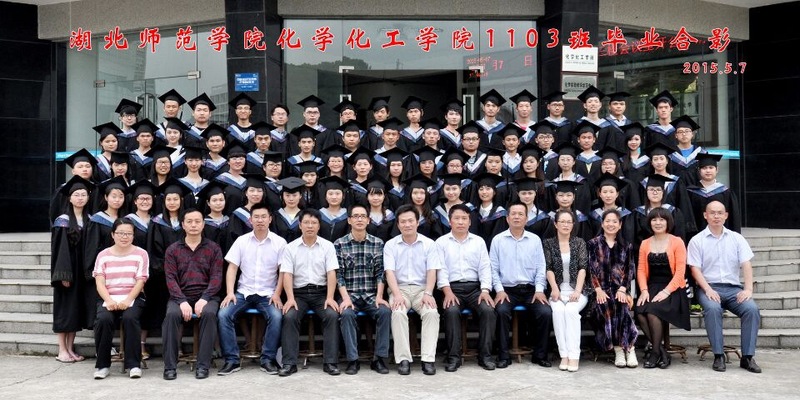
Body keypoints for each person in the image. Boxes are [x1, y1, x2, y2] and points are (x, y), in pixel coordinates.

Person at [688, 201, 761, 373]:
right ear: (705, 215)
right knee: (713, 309)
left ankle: (747, 357)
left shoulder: (737, 238)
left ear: (726, 215)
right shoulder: (697, 240)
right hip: (708, 288)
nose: (716, 216)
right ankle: (718, 355)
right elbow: (694, 269)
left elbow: (746, 264)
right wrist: (708, 289)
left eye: (720, 213)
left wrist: (748, 289)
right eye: (712, 213)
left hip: (734, 289)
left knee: (751, 309)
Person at [217, 204, 286, 375]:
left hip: (268, 294)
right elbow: (232, 268)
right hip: (244, 292)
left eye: (264, 217)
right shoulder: (242, 241)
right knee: (224, 315)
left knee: (277, 317)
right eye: (256, 217)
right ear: (250, 220)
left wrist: (277, 294)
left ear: (270, 219)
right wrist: (230, 292)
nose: (260, 220)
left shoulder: (279, 242)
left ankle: (268, 359)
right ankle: (232, 360)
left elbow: (283, 272)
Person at [162, 208, 223, 380]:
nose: (193, 225)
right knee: (171, 315)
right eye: (189, 221)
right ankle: (169, 366)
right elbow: (170, 279)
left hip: (207, 296)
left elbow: (217, 277)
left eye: (197, 221)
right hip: (180, 296)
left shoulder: (214, 248)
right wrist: (182, 301)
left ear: (203, 224)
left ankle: (203, 365)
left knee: (209, 314)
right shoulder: (173, 249)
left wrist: (204, 298)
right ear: (183, 224)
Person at [278, 209, 341, 377]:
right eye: (306, 222)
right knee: (290, 316)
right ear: (300, 225)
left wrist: (330, 297)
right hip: (298, 294)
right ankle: (289, 363)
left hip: (321, 293)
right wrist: (290, 298)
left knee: (332, 315)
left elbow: (331, 273)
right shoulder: (290, 248)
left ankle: (330, 362)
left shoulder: (327, 246)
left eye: (314, 223)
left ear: (319, 226)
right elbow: (287, 274)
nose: (310, 226)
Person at [435, 204, 497, 372]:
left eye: (464, 218)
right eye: (457, 218)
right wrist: (447, 292)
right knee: (451, 311)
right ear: (450, 221)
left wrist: (485, 290)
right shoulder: (441, 243)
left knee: (488, 311)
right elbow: (441, 270)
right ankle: (454, 357)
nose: (460, 222)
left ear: (470, 222)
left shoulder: (478, 241)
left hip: (475, 289)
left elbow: (485, 267)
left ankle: (485, 356)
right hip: (452, 288)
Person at [491, 201, 552, 368]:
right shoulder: (498, 240)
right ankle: (503, 356)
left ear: (526, 218)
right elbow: (493, 269)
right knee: (501, 311)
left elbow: (541, 267)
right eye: (513, 214)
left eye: (520, 214)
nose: (517, 217)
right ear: (507, 218)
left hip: (531, 290)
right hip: (507, 290)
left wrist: (539, 290)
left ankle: (540, 355)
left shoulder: (535, 240)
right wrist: (499, 290)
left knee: (545, 312)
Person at [383, 205, 442, 375]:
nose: (407, 224)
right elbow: (389, 272)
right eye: (403, 222)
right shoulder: (390, 245)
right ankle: (403, 359)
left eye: (410, 221)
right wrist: (396, 295)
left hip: (422, 289)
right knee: (398, 313)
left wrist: (428, 293)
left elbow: (432, 270)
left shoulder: (429, 244)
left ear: (417, 222)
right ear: (398, 224)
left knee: (431, 313)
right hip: (399, 289)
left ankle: (428, 359)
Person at [334, 204, 391, 375]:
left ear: (368, 220)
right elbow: (338, 275)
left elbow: (380, 273)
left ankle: (379, 359)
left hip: (371, 295)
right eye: (355, 216)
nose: (359, 219)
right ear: (349, 220)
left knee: (384, 312)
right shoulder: (339, 244)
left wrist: (379, 296)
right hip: (349, 294)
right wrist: (345, 299)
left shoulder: (377, 243)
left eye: (363, 216)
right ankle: (353, 360)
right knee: (346, 314)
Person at [91, 218, 149, 379]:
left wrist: (128, 300)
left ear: (133, 235)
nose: (124, 237)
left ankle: (134, 365)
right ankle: (102, 365)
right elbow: (99, 282)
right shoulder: (103, 255)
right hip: (108, 297)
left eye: (128, 233)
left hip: (133, 297)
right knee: (103, 319)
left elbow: (141, 281)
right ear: (112, 234)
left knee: (130, 318)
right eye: (121, 233)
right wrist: (109, 300)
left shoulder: (141, 254)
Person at [635, 207, 691, 369]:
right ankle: (662, 352)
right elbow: (641, 270)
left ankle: (655, 353)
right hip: (652, 286)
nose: (658, 223)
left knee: (652, 312)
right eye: (654, 219)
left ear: (668, 222)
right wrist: (644, 290)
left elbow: (680, 272)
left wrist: (666, 291)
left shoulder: (677, 242)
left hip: (673, 288)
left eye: (662, 219)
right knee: (639, 312)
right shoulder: (645, 243)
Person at [587, 209, 639, 367]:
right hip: (599, 291)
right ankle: (620, 349)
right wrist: (598, 290)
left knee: (621, 304)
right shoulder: (593, 244)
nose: (611, 224)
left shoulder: (626, 246)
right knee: (608, 304)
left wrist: (623, 289)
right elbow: (590, 269)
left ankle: (629, 349)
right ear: (602, 224)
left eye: (614, 221)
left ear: (620, 224)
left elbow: (630, 269)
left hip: (619, 289)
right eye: (607, 221)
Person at [51, 176, 93, 363]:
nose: (80, 198)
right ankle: (62, 350)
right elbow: (60, 250)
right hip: (68, 272)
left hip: (82, 272)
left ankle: (70, 349)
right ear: (69, 198)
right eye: (77, 195)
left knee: (75, 311)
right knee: (65, 310)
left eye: (83, 194)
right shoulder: (63, 221)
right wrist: (64, 274)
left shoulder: (89, 219)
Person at [544, 210, 591, 372]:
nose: (565, 225)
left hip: (577, 290)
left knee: (571, 311)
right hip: (556, 290)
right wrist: (554, 289)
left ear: (573, 225)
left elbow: (583, 268)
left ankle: (574, 355)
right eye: (562, 222)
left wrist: (577, 291)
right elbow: (548, 268)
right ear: (555, 224)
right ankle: (564, 354)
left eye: (568, 222)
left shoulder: (579, 243)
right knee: (558, 312)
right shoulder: (549, 243)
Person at [686, 153, 741, 238]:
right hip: (696, 236)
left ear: (717, 170)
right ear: (699, 170)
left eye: (711, 167)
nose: (708, 171)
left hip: (721, 236)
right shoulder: (690, 192)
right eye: (704, 168)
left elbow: (733, 218)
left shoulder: (726, 192)